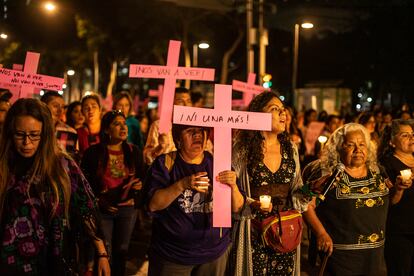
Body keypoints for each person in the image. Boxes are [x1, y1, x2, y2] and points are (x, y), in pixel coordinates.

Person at [0, 98, 110, 275]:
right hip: (8, 263)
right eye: (20, 134)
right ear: (10, 132)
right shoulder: (3, 164)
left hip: (52, 260)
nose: (27, 143)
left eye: (34, 135)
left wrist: (102, 253)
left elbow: (86, 208)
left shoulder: (62, 166)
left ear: (45, 134)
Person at [145, 124, 244, 276]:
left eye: (201, 130)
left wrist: (233, 186)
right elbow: (153, 205)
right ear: (178, 139)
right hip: (173, 256)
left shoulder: (218, 164)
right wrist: (182, 184)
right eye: (190, 131)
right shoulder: (165, 163)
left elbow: (237, 207)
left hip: (213, 255)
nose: (197, 135)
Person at [232, 91, 308, 276]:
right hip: (253, 231)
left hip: (284, 232)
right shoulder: (242, 149)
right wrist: (252, 203)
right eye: (275, 109)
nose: (283, 114)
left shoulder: (291, 149)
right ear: (258, 114)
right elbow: (231, 190)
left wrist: (311, 190)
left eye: (283, 110)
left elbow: (297, 192)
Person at [303, 123, 390, 275]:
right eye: (351, 145)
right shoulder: (327, 172)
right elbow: (304, 203)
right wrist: (321, 234)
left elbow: (390, 202)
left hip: (374, 256)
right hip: (340, 257)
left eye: (362, 144)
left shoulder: (377, 171)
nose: (358, 150)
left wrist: (399, 190)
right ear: (338, 148)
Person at [81, 110, 144, 276]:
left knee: (122, 251)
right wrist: (99, 201)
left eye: (124, 124)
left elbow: (143, 176)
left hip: (127, 209)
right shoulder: (93, 153)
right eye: (117, 124)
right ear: (107, 130)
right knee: (104, 251)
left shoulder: (134, 151)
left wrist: (139, 185)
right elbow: (84, 183)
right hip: (103, 210)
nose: (123, 127)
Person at [378, 119, 414, 275]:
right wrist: (399, 189)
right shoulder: (386, 165)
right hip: (400, 232)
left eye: (412, 134)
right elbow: (388, 202)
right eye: (405, 135)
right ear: (392, 141)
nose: (411, 138)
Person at [143, 87, 192, 165]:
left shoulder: (196, 128)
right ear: (171, 103)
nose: (186, 105)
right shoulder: (159, 125)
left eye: (188, 101)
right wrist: (159, 148)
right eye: (180, 101)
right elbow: (147, 158)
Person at [40, 91, 79, 159]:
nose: (60, 110)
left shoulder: (70, 132)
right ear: (43, 106)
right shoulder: (35, 129)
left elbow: (72, 159)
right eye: (55, 106)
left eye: (63, 107)